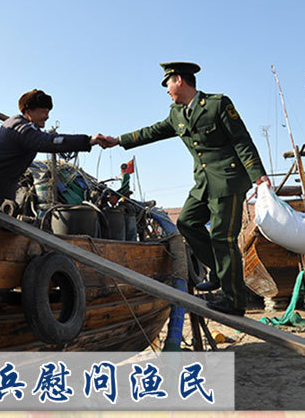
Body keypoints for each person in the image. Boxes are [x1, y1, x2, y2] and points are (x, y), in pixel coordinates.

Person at [101, 62, 270, 316]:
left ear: (179, 80)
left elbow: (242, 140)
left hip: (228, 180)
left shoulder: (217, 104)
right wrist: (118, 141)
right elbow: (152, 131)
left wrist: (259, 176)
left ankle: (235, 301)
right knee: (187, 222)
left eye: (168, 84)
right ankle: (218, 272)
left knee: (222, 237)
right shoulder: (177, 113)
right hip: (204, 183)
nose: (167, 90)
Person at [0, 89, 108, 218]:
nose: (47, 117)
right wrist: (88, 140)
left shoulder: (28, 128)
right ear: (29, 111)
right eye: (44, 112)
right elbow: (49, 141)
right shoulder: (20, 127)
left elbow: (49, 139)